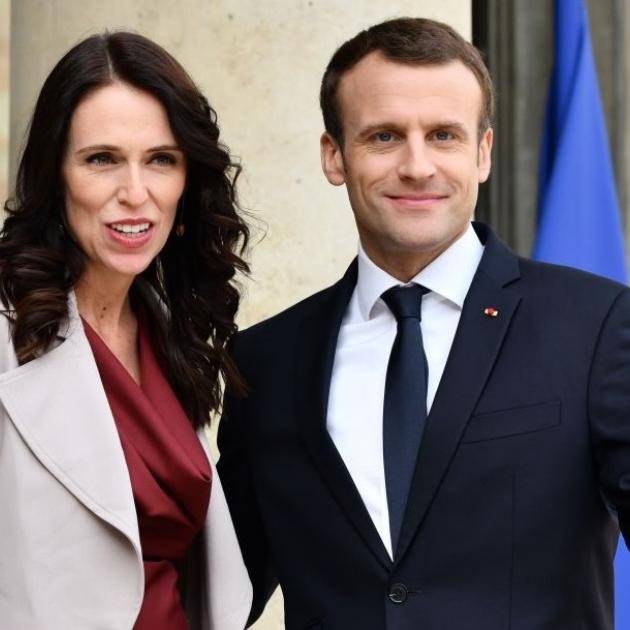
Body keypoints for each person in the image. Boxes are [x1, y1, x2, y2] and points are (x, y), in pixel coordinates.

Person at [217, 17, 630, 630]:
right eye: (384, 137)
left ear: (483, 153)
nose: (417, 166)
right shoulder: (264, 360)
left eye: (443, 135)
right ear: (334, 156)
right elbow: (217, 592)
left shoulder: (596, 326)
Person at [0, 32, 252, 630]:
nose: (135, 195)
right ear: (55, 172)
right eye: (102, 159)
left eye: (160, 159)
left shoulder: (171, 331)